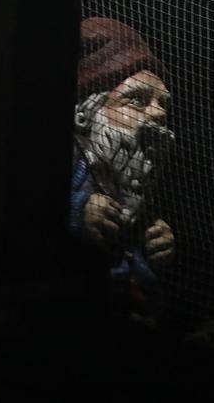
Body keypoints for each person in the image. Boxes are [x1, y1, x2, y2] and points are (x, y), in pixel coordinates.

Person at [71, 17, 177, 323]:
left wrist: (155, 243)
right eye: (137, 101)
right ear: (86, 112)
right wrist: (78, 211)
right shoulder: (72, 161)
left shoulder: (141, 186)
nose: (158, 113)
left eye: (162, 104)